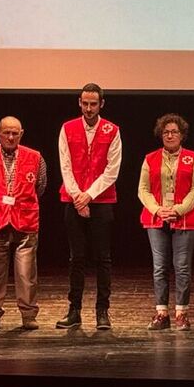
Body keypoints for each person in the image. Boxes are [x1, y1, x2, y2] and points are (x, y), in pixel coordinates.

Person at [0, 116, 47, 331]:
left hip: (25, 220)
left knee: (26, 273)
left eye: (15, 133)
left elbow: (40, 187)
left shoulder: (36, 157)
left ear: (21, 134)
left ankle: (29, 315)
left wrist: (20, 203)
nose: (11, 137)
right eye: (7, 132)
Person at [56, 83, 122, 330]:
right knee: (76, 258)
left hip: (101, 201)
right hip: (73, 200)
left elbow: (112, 170)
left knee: (103, 258)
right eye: (85, 103)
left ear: (101, 104)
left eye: (94, 104)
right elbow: (65, 165)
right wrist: (77, 197)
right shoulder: (68, 128)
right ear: (79, 102)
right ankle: (74, 310)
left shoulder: (112, 130)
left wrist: (89, 196)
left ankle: (102, 311)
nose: (89, 108)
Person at [138, 113, 194, 331]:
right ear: (160, 134)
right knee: (160, 267)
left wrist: (178, 209)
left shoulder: (193, 158)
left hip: (185, 218)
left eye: (174, 132)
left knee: (182, 267)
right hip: (156, 218)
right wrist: (158, 210)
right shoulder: (150, 158)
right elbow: (143, 190)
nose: (170, 135)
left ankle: (181, 313)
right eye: (166, 132)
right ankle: (161, 313)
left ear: (182, 134)